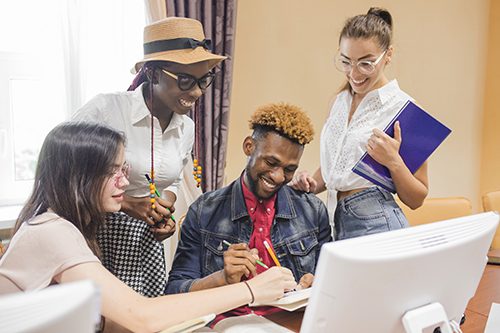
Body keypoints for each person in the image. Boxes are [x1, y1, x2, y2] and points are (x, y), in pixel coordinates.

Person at [0, 122, 296, 332]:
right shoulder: (50, 231)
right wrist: (250, 290)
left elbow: (113, 321)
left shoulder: (66, 228)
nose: (124, 183)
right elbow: (139, 315)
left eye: (123, 170)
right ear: (78, 179)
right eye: (111, 172)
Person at [73, 17, 226, 297]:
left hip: (146, 244)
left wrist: (162, 209)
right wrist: (128, 204)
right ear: (153, 74)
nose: (197, 92)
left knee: (150, 316)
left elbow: (175, 181)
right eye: (185, 80)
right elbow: (63, 172)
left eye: (204, 80)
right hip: (99, 237)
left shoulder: (186, 127)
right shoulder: (107, 110)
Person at [166, 103, 332, 324]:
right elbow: (175, 293)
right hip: (228, 324)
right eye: (271, 163)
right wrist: (222, 278)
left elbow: (332, 286)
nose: (279, 177)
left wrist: (317, 285)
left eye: (289, 169)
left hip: (294, 324)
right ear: (249, 147)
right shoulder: (204, 211)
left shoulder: (312, 211)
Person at [289, 7, 428, 241]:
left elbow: (417, 198)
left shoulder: (406, 110)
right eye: (346, 62)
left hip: (377, 225)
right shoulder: (339, 101)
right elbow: (338, 165)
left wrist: (393, 162)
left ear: (389, 55)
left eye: (366, 63)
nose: (354, 73)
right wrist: (311, 184)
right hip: (334, 222)